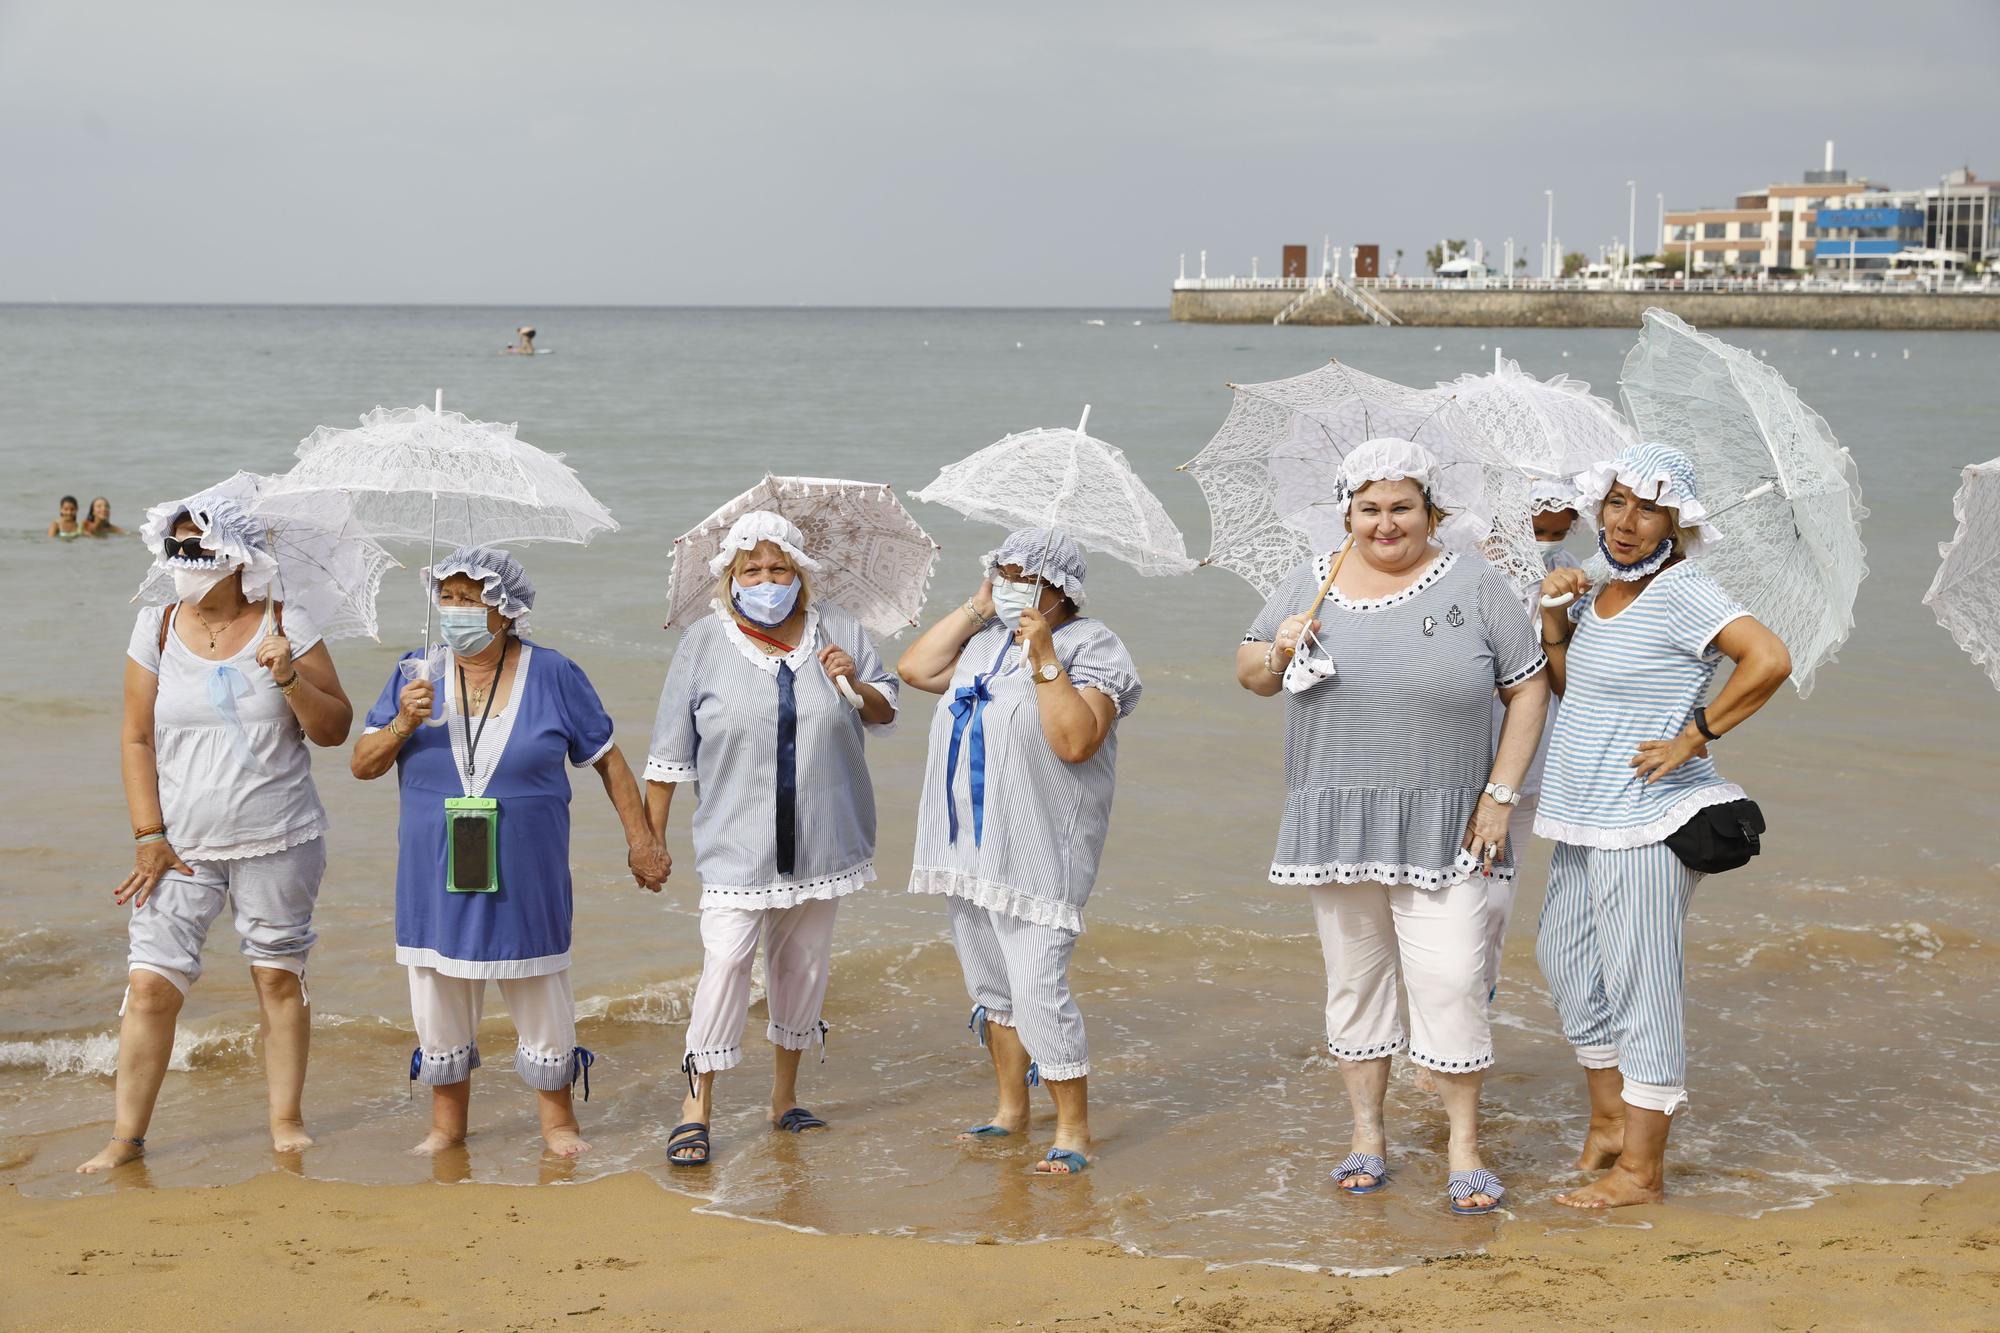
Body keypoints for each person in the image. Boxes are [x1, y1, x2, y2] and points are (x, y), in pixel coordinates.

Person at [1236, 439, 1549, 1215]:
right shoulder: (1312, 578)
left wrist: (1501, 795)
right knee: (1355, 984)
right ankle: (1367, 1135)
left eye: (1401, 506)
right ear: (1348, 512)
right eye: (1369, 508)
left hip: (1452, 821)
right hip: (1336, 817)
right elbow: (1249, 675)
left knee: (1451, 980)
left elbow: (1530, 686)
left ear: (1430, 511)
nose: (1386, 523)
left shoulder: (1480, 584)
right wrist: (1276, 649)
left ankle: (1463, 1144)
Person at [1534, 442, 1790, 1209]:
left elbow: (1768, 659)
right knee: (1565, 959)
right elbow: (1576, 690)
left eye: (1648, 508)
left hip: (1648, 820)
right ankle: (1611, 1120)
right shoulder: (1605, 584)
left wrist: (1694, 735)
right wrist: (1554, 619)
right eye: (1616, 502)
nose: (1626, 521)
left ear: (1677, 521)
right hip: (1585, 813)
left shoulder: (1686, 590)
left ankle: (1642, 1170)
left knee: (1643, 988)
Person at [351, 546, 667, 1158]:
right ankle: (446, 1127)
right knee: (437, 985)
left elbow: (608, 761)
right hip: (433, 870)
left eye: (470, 599)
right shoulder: (414, 672)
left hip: (527, 869)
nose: (456, 611)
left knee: (540, 983)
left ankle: (558, 1123)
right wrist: (401, 725)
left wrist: (642, 843)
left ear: (505, 609)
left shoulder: (553, 673)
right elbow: (363, 766)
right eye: (447, 597)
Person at [78, 494, 354, 1172]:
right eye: (174, 548)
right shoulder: (156, 626)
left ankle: (285, 1121)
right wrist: (147, 831)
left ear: (237, 557)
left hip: (279, 836)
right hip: (177, 846)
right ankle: (125, 1137)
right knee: (149, 985)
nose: (183, 562)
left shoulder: (288, 621)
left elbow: (335, 728)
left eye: (197, 550)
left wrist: (288, 676)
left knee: (278, 978)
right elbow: (135, 735)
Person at [644, 512, 899, 1168]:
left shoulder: (838, 631)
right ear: (729, 578)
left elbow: (885, 711)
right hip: (736, 845)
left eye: (778, 568)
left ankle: (783, 1099)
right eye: (751, 570)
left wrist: (857, 681)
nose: (766, 580)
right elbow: (670, 751)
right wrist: (650, 838)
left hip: (825, 839)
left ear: (800, 575)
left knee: (803, 966)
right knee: (726, 961)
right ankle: (695, 1107)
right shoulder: (704, 643)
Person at [898, 530, 1141, 1176]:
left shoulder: (1094, 646)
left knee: (1039, 989)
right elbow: (915, 669)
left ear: (1058, 588)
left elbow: (1076, 740)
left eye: (1019, 575)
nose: (1007, 582)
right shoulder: (981, 644)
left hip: (1037, 850)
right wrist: (980, 607)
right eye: (999, 571)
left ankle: (1073, 1127)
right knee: (992, 987)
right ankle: (1011, 1110)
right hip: (968, 845)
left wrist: (1043, 656)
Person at [1481, 478, 1584, 1002]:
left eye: (1558, 532)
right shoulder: (1453, 565)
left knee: (1494, 903)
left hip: (1529, 760)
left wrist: (1555, 612)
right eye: (1536, 530)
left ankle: (1469, 1024)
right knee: (1427, 899)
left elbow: (1571, 683)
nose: (1545, 542)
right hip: (1453, 752)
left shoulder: (1569, 577)